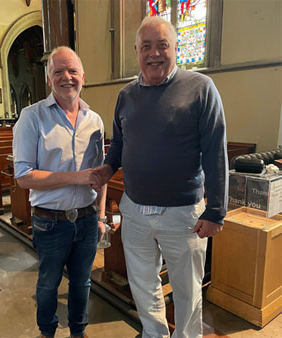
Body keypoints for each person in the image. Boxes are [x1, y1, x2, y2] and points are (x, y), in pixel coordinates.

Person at [92, 16, 228, 338]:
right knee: (142, 286)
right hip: (135, 211)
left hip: (183, 214)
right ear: (136, 50)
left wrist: (216, 210)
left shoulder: (200, 88)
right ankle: (154, 334)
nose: (155, 54)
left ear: (175, 49)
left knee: (187, 293)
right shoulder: (126, 95)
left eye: (162, 45)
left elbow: (215, 151)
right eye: (147, 46)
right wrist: (107, 169)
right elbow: (121, 143)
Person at [13, 46, 107, 338]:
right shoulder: (32, 117)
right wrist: (75, 177)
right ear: (48, 78)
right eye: (58, 71)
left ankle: (79, 332)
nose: (67, 77)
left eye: (73, 71)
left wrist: (102, 216)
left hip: (88, 220)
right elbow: (24, 176)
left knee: (82, 284)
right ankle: (47, 333)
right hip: (50, 221)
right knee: (48, 284)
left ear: (83, 76)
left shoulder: (95, 120)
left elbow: (100, 174)